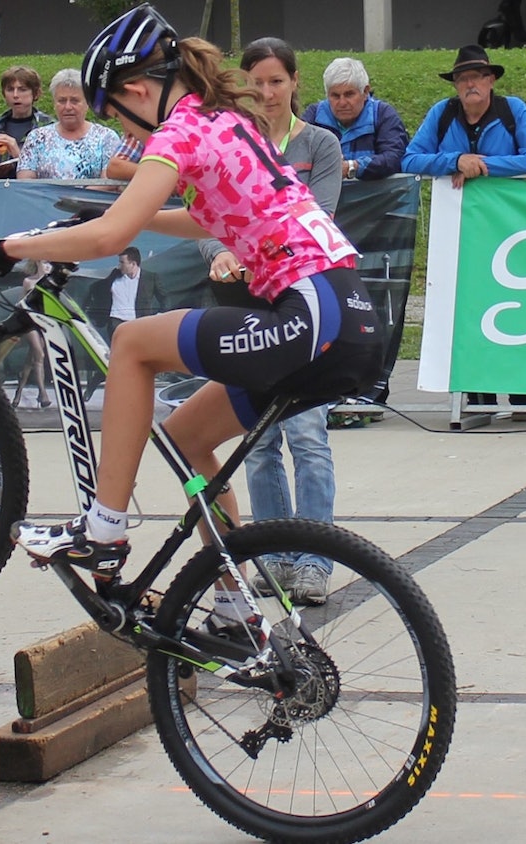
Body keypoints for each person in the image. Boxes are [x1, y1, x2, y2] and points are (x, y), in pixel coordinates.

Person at [0, 5, 383, 624]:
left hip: (308, 309)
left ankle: (104, 529)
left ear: (138, 89)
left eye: (114, 111)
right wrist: (107, 218)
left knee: (132, 343)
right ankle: (237, 609)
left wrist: (11, 246)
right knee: (187, 436)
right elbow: (208, 218)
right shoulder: (226, 121)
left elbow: (113, 240)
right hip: (346, 317)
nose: (120, 126)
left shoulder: (179, 133)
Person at [196, 36, 345, 605]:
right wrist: (219, 253)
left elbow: (316, 218)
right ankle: (275, 557)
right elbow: (207, 213)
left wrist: (249, 248)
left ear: (293, 83)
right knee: (256, 441)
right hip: (244, 301)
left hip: (305, 297)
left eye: (276, 81)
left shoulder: (320, 144)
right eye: (255, 81)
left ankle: (315, 559)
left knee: (307, 434)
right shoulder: (230, 138)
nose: (266, 92)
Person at [402, 44, 526, 421]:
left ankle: (524, 398)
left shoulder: (513, 110)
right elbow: (410, 158)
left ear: (491, 80)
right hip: (462, 234)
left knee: (519, 305)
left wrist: (483, 165)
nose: (470, 84)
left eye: (477, 77)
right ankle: (478, 399)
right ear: (455, 84)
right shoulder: (442, 114)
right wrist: (454, 159)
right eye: (462, 78)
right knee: (469, 306)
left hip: (512, 230)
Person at [303, 57, 409, 181]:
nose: (342, 103)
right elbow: (295, 155)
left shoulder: (383, 114)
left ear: (365, 92)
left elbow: (394, 157)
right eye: (335, 96)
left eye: (349, 94)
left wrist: (352, 167)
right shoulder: (314, 115)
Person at [80, 246, 160, 402]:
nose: (119, 265)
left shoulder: (150, 278)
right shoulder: (115, 277)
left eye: (122, 262)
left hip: (139, 323)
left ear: (133, 263)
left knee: (130, 359)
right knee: (119, 355)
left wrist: (160, 313)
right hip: (117, 322)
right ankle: (95, 385)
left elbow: (165, 297)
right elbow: (97, 289)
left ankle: (107, 384)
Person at [17, 69, 120, 180]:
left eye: (74, 101)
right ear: (54, 104)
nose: (68, 107)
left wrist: (73, 198)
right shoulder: (37, 138)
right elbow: (25, 183)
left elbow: (109, 183)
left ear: (87, 103)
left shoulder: (106, 138)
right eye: (61, 101)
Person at [0, 66, 53, 179]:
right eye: (10, 89)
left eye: (22, 89)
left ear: (35, 94)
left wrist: (18, 156)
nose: (15, 95)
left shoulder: (49, 128)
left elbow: (53, 175)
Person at [13, 260, 54, 409]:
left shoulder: (50, 283)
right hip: (29, 322)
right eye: (44, 263)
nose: (47, 265)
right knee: (40, 354)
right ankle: (43, 394)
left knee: (32, 360)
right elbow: (20, 303)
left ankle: (19, 391)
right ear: (38, 263)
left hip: (43, 322)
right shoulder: (28, 282)